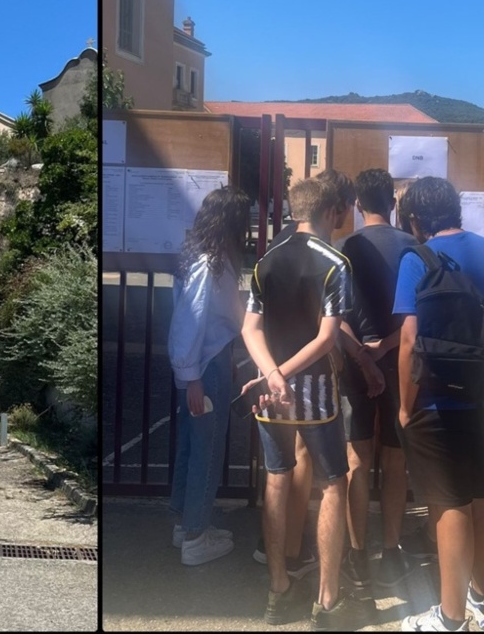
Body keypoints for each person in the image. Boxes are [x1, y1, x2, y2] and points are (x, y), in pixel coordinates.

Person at [392, 177, 484, 632]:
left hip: (438, 401)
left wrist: (403, 405)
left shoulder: (416, 259)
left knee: (448, 503)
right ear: (457, 210)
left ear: (415, 220)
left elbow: (411, 340)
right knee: (482, 498)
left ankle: (450, 618)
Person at [239, 173, 364, 628]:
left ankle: (278, 589)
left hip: (268, 392)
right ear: (330, 211)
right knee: (333, 482)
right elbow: (328, 336)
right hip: (314, 392)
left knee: (276, 479)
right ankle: (328, 600)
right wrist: (287, 375)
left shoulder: (266, 261)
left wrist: (271, 375)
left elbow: (249, 329)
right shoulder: (334, 263)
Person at [335, 169, 419, 590]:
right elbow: (414, 318)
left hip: (354, 363)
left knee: (357, 460)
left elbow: (333, 319)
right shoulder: (413, 248)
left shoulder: (342, 248)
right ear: (392, 203)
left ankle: (356, 553)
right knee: (396, 458)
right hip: (398, 361)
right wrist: (384, 350)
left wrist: (364, 355)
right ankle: (390, 550)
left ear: (357, 205)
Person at [165, 185, 250, 565]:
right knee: (208, 449)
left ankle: (187, 525)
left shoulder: (197, 257)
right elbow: (191, 322)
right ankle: (197, 538)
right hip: (204, 368)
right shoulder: (209, 264)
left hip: (207, 363)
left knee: (191, 445)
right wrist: (195, 377)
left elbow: (209, 320)